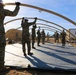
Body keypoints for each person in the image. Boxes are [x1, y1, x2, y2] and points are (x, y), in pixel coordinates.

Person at [0, 0, 20, 71]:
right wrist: (17, 6)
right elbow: (14, 13)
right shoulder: (2, 11)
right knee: (1, 47)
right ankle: (1, 66)